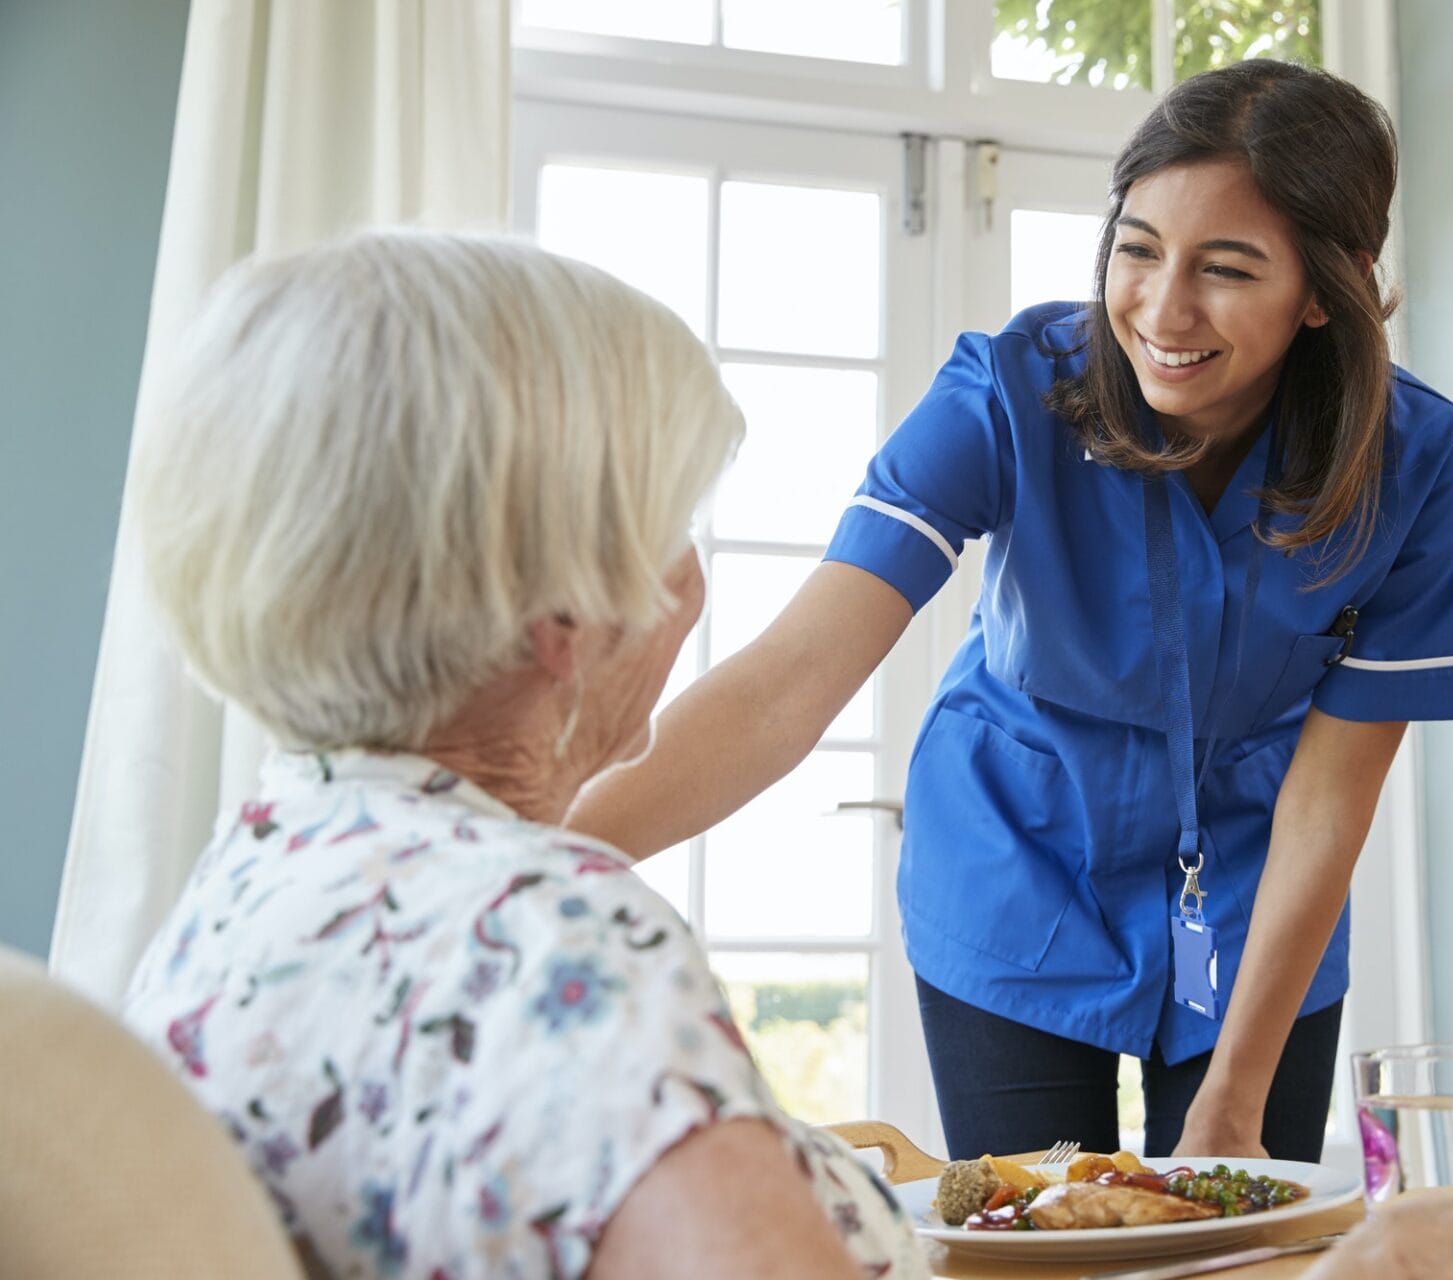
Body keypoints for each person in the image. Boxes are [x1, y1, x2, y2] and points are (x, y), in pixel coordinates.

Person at [572, 57, 1453, 1166]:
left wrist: (1235, 1096)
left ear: (1325, 293)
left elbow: (1330, 800)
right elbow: (786, 685)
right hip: (1014, 866)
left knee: (1234, 1243)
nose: (1163, 307)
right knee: (1038, 1242)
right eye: (1138, 249)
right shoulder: (1006, 391)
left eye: (1228, 269)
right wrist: (527, 853)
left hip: (1259, 895)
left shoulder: (1419, 464)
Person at [118, 231, 927, 1280]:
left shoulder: (250, 877)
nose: (690, 580)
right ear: (567, 608)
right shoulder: (549, 938)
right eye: (672, 526)